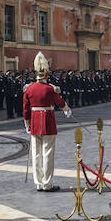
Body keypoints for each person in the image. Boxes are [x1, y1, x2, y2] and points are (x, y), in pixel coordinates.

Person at [23, 52, 70, 192]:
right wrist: (67, 109)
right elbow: (59, 102)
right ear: (47, 75)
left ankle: (38, 183)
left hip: (35, 122)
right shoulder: (50, 89)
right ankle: (47, 183)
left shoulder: (29, 89)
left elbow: (25, 109)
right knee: (48, 153)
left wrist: (27, 124)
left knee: (36, 154)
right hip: (48, 121)